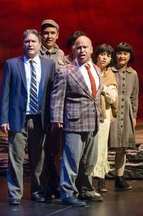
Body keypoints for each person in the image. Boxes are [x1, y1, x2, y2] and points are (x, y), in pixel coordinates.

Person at [0, 29, 55, 205]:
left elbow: (52, 94)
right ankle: (14, 194)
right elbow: (5, 93)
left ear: (39, 45)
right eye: (27, 42)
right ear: (23, 44)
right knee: (15, 158)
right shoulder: (12, 64)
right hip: (17, 118)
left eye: (33, 41)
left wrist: (53, 118)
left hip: (39, 119)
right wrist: (3, 118)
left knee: (39, 158)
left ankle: (38, 191)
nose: (30, 44)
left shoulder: (49, 65)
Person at [50, 35, 103, 207]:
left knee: (90, 160)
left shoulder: (96, 69)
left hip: (93, 122)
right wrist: (56, 118)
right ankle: (68, 192)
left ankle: (86, 189)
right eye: (78, 47)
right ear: (74, 50)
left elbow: (96, 96)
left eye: (85, 47)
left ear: (91, 49)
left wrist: (100, 115)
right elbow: (57, 96)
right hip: (74, 122)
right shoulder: (65, 70)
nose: (81, 50)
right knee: (71, 160)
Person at [39, 19, 65, 200]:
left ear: (57, 35)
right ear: (42, 35)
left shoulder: (61, 55)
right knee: (40, 148)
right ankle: (43, 186)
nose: (49, 36)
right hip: (38, 107)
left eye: (52, 33)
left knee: (54, 149)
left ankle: (54, 184)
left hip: (55, 107)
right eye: (46, 33)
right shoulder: (34, 52)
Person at [109, 42, 139, 190]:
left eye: (125, 53)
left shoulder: (133, 74)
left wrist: (133, 116)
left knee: (122, 148)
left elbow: (134, 97)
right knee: (104, 147)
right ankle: (100, 180)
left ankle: (119, 178)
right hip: (110, 113)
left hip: (125, 114)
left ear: (129, 56)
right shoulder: (109, 71)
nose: (122, 56)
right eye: (120, 53)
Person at [91, 44, 118, 192]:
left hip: (103, 115)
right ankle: (86, 179)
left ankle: (101, 178)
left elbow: (113, 97)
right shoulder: (88, 70)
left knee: (101, 147)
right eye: (102, 54)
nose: (104, 57)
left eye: (108, 55)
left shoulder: (109, 75)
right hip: (87, 113)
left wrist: (102, 87)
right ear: (96, 55)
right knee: (89, 147)